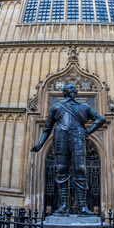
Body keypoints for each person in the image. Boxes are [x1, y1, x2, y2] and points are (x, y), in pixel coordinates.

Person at [31, 84, 105, 215]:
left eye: (74, 89)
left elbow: (100, 119)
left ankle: (82, 206)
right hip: (61, 137)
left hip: (77, 136)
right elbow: (47, 128)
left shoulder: (84, 107)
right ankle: (64, 205)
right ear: (64, 92)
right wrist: (40, 144)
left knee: (80, 168)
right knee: (61, 169)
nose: (73, 90)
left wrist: (88, 132)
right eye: (70, 89)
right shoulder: (56, 108)